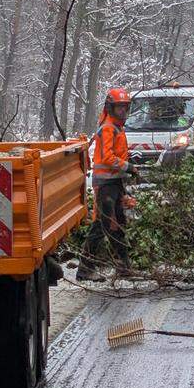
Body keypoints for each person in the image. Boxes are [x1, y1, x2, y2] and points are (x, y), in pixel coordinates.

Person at [79, 87, 132, 280]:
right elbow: (109, 157)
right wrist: (129, 167)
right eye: (119, 108)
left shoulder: (118, 128)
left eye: (125, 108)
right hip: (106, 184)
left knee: (118, 224)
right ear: (110, 108)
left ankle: (124, 266)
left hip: (115, 182)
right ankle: (85, 269)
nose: (122, 112)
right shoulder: (108, 128)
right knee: (101, 224)